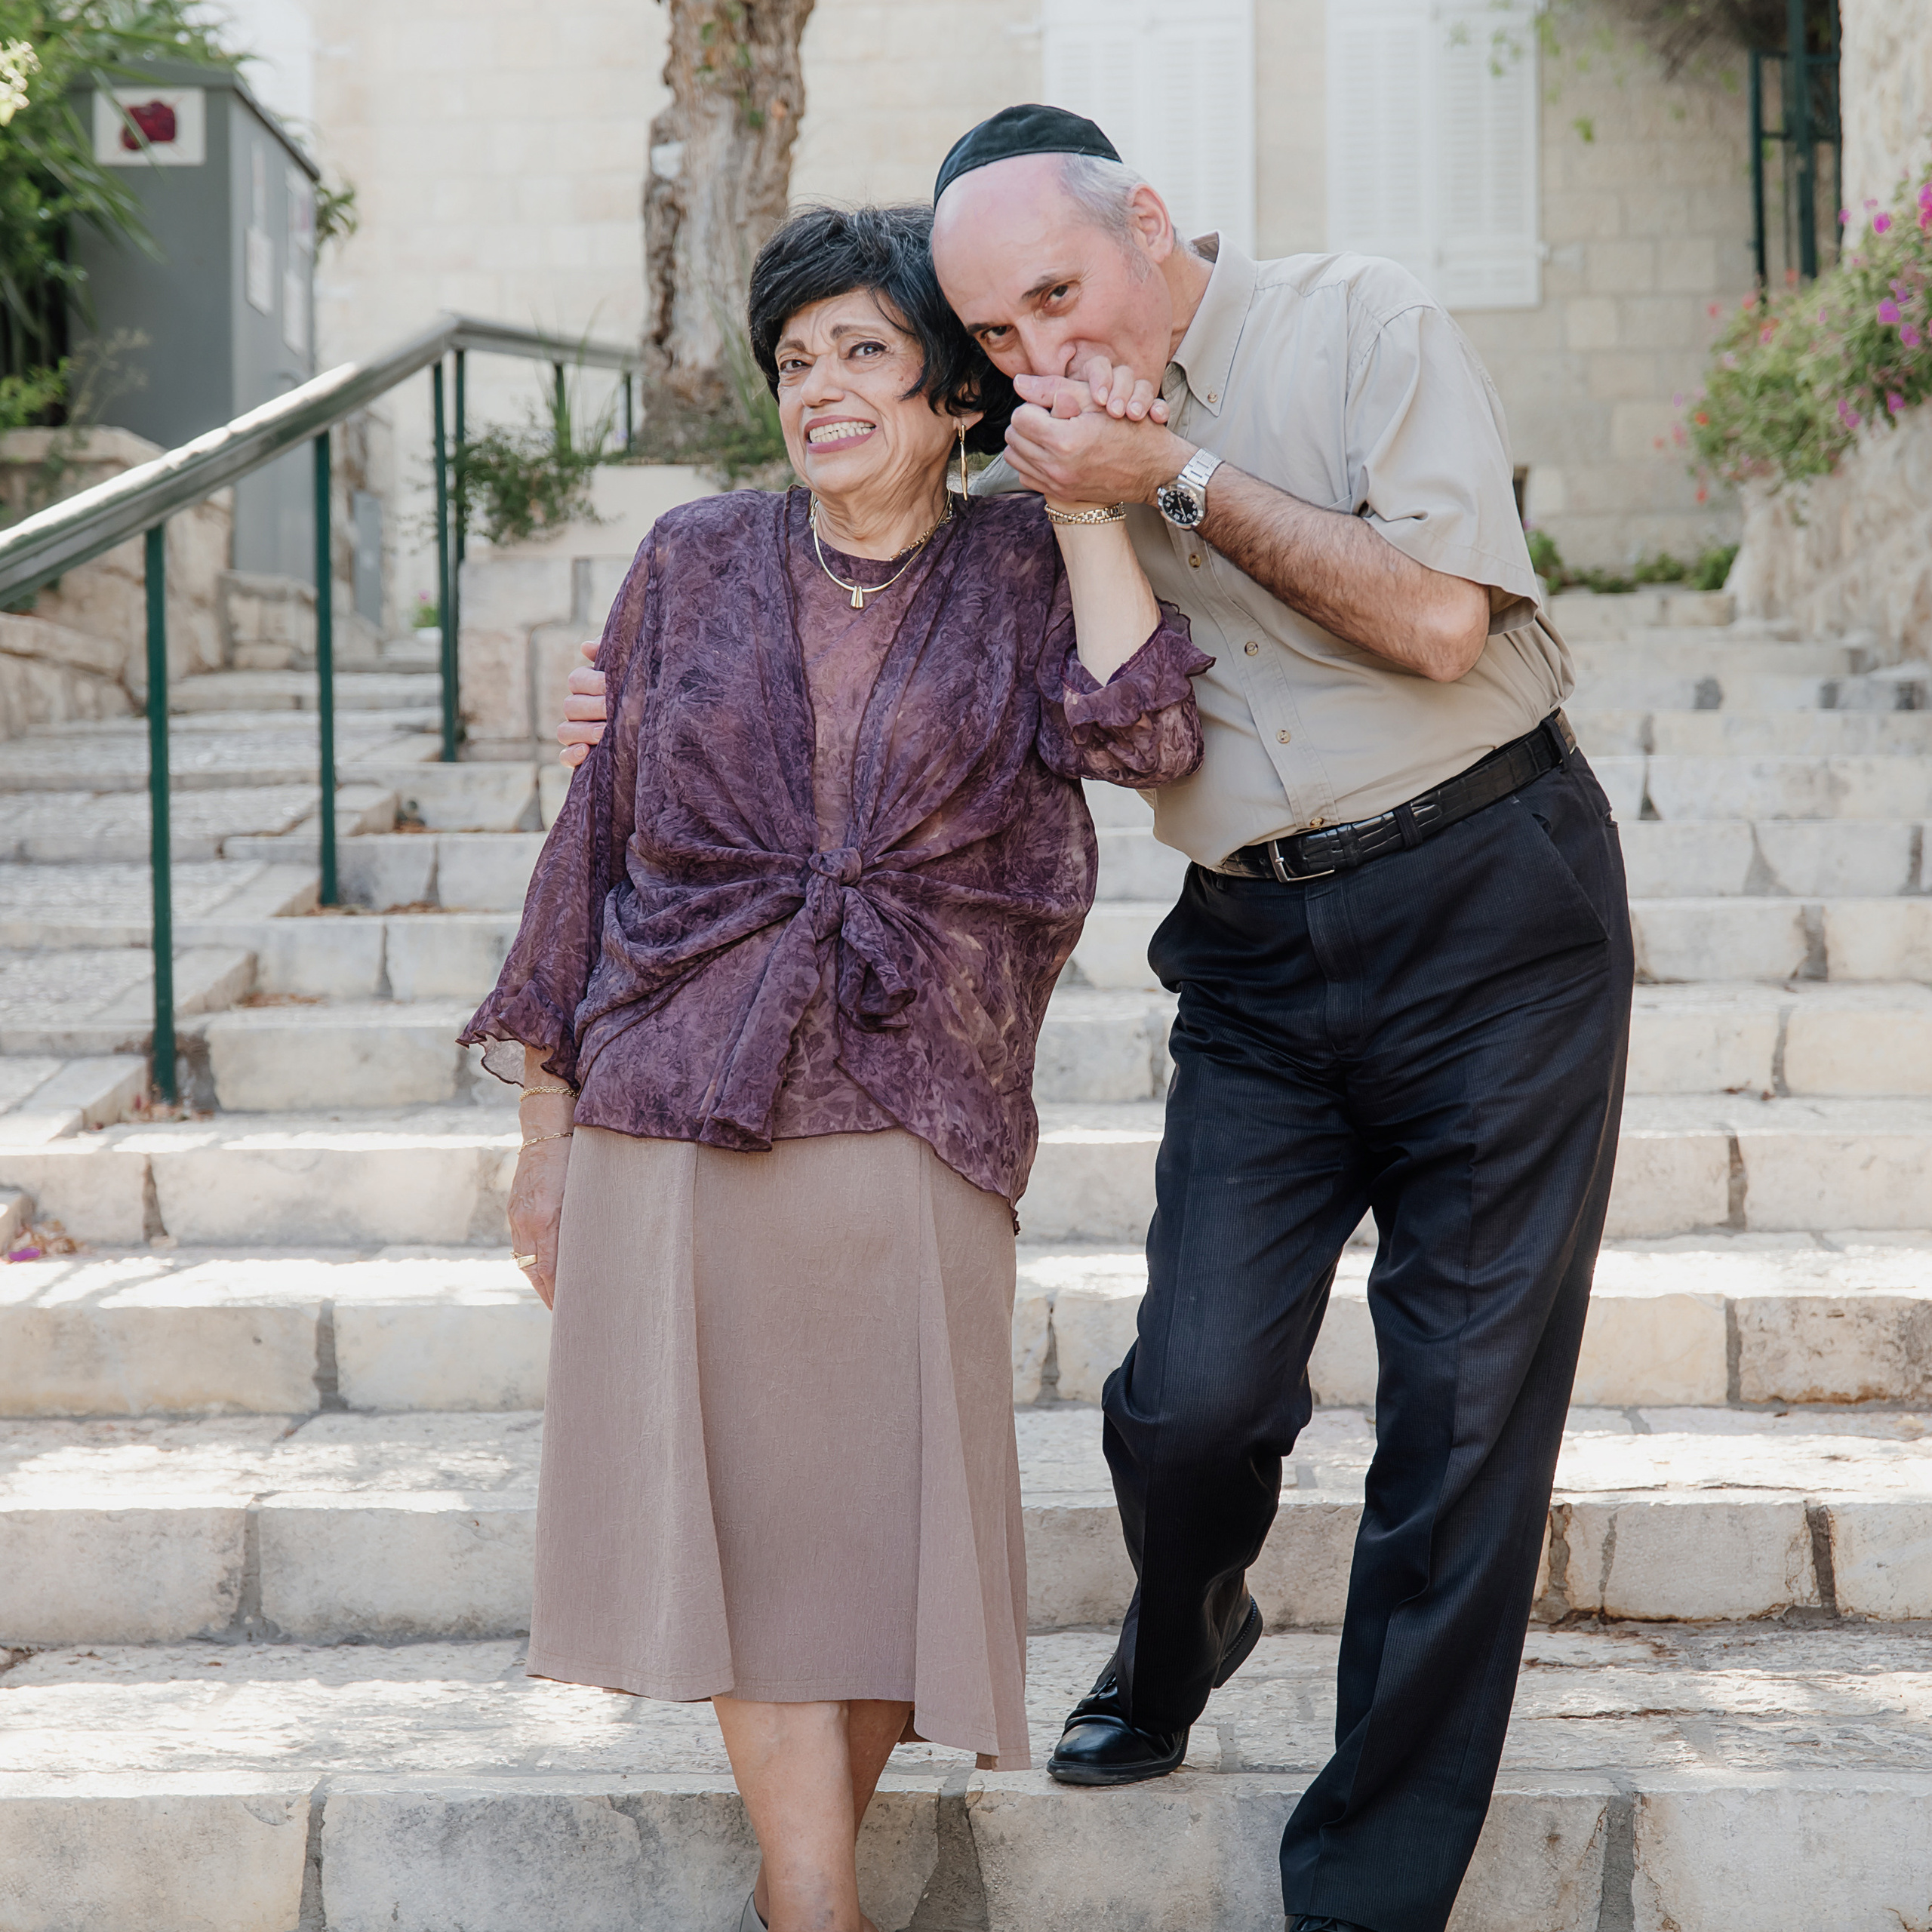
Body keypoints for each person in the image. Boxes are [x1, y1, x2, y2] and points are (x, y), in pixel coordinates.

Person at [563, 104, 1635, 1932]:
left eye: (1061, 294)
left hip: (1491, 901)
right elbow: (923, 645)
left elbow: (1448, 623)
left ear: (1144, 223)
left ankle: (1363, 1891)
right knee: (1188, 1401)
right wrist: (647, 725)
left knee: (1461, 1420)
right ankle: (1182, 1610)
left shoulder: (1347, 320)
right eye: (996, 334)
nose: (1047, 353)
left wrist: (1168, 475)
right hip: (1255, 944)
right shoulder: (1019, 502)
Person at [465, 198, 1208, 1932]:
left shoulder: (1024, 562)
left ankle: (802, 1887)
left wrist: (1088, 499)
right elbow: (602, 842)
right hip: (675, 1080)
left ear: (957, 395)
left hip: (916, 1088)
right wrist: (543, 1121)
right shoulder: (692, 555)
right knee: (739, 1516)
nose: (819, 387)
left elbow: (1143, 729)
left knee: (872, 1522)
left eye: (864, 351)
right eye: (795, 359)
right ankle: (813, 1898)